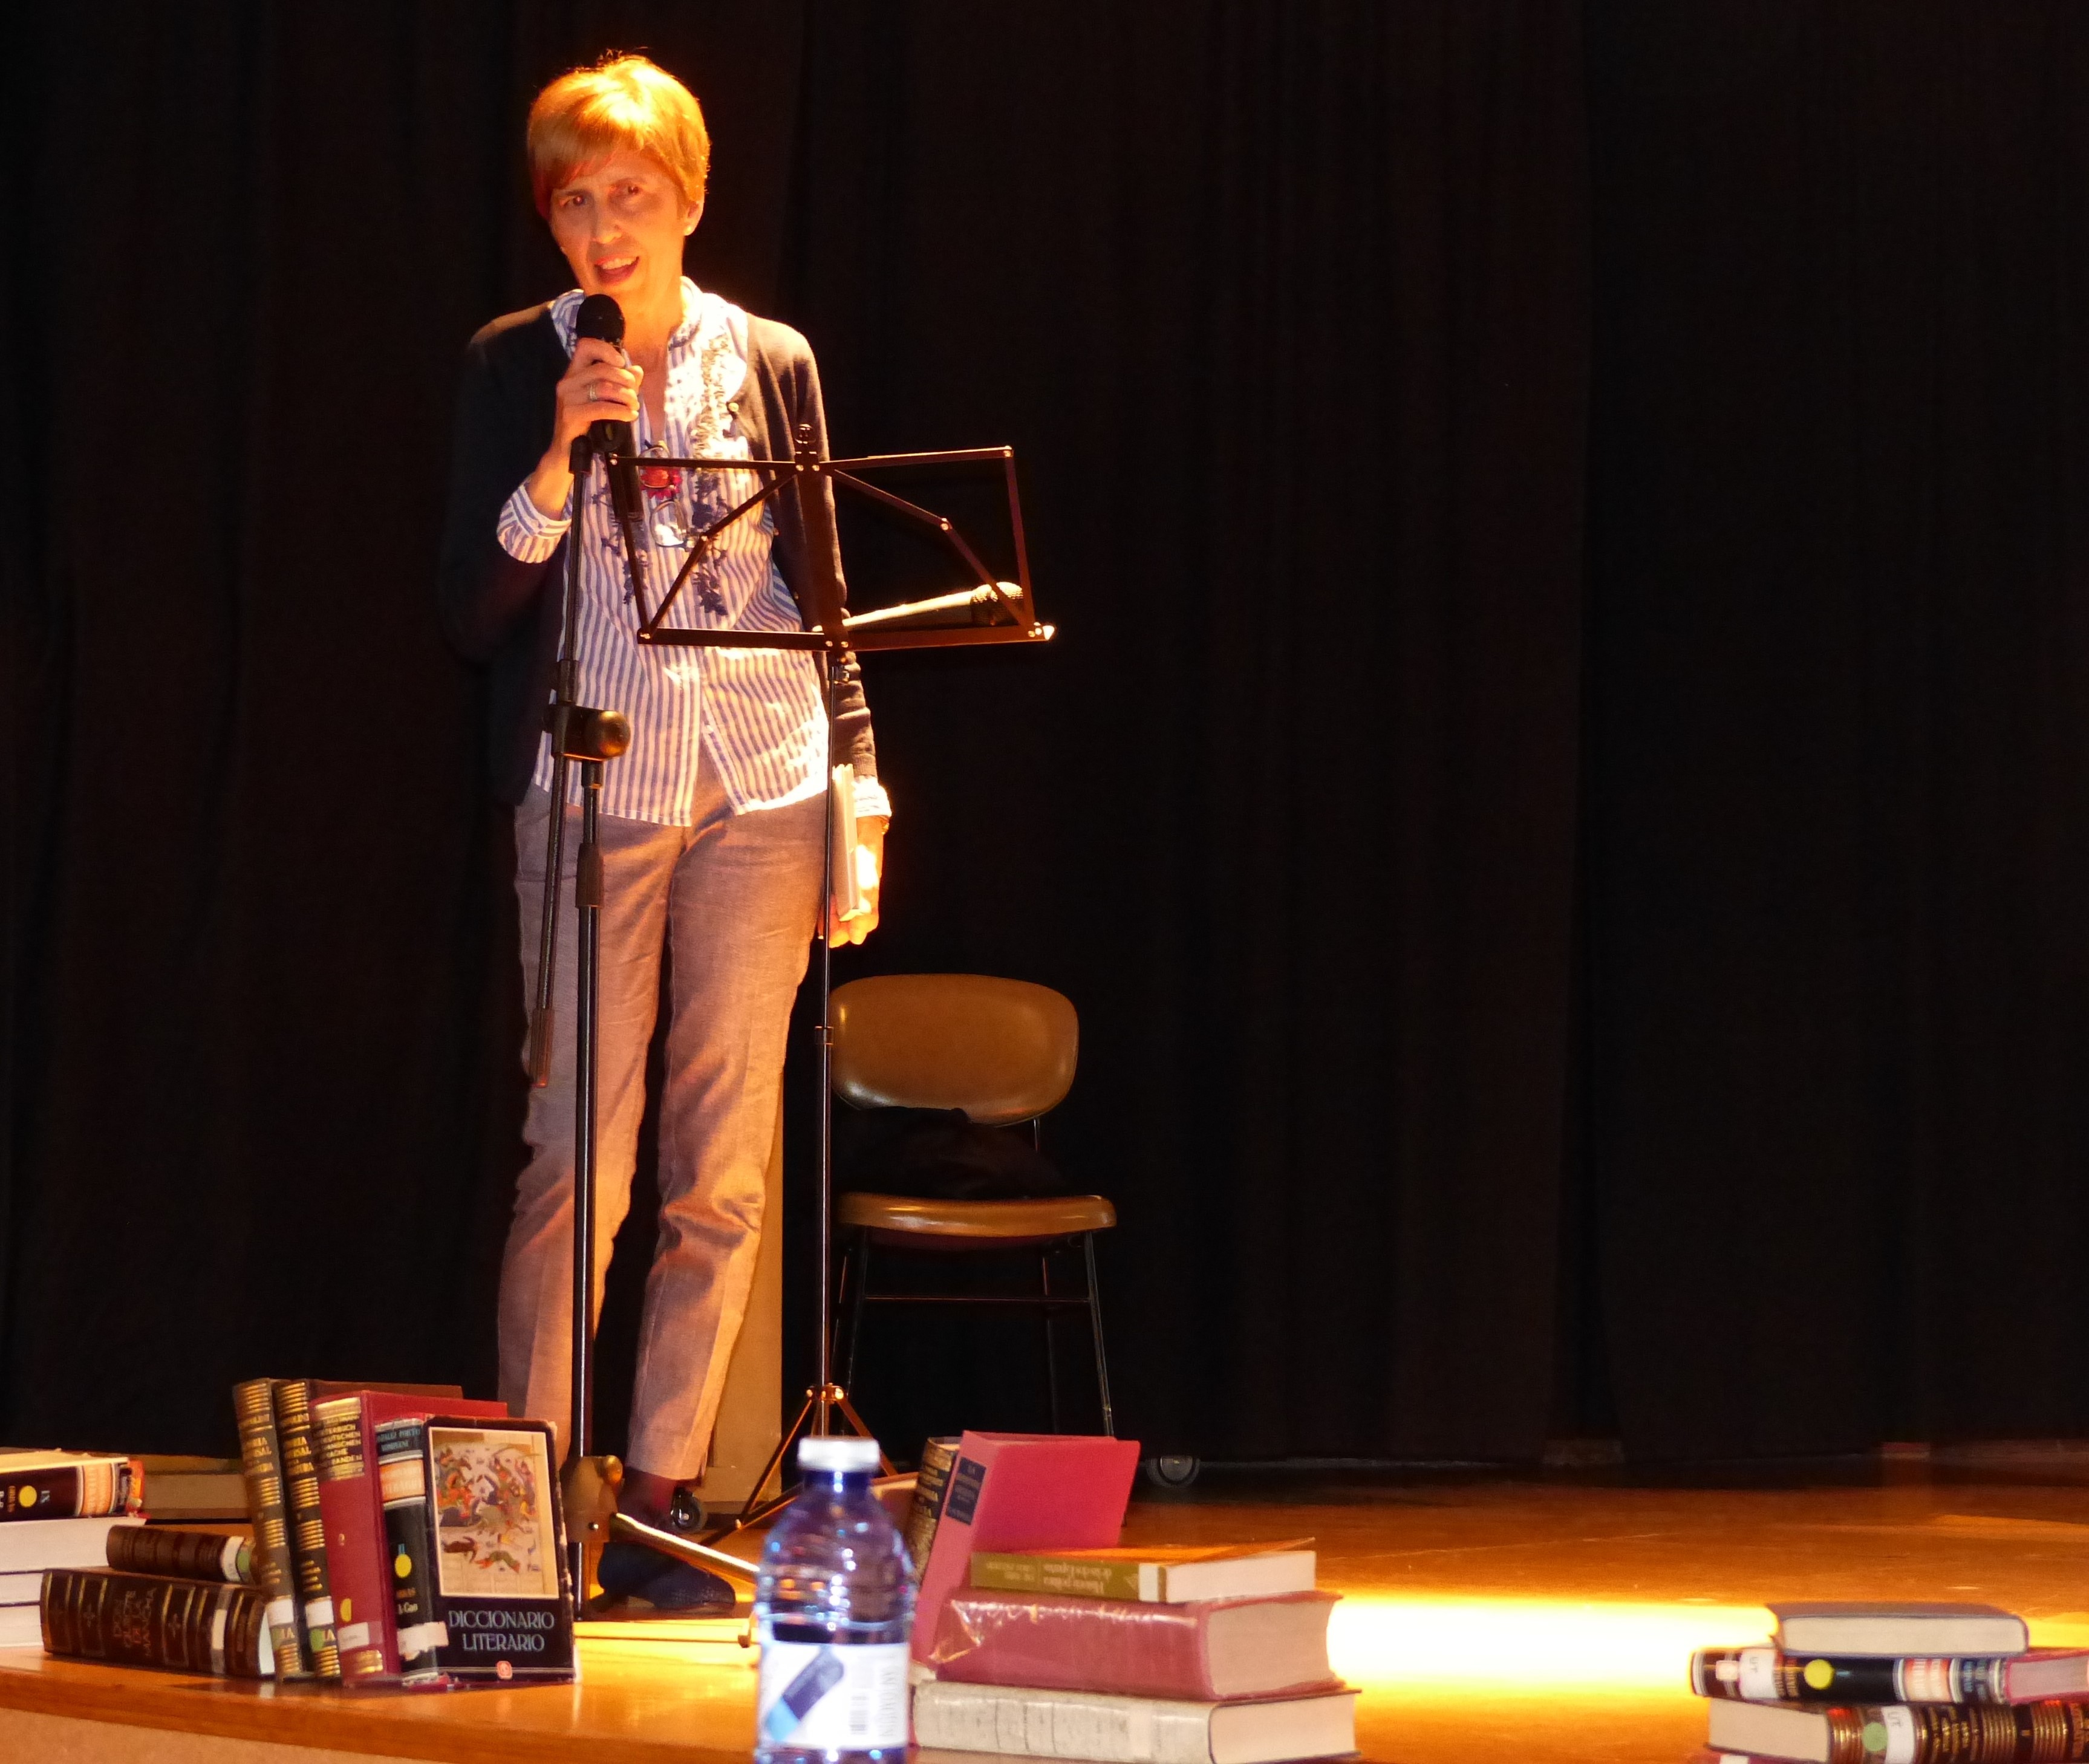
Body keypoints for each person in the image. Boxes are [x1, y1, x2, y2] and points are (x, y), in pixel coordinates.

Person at [437, 53, 888, 1610]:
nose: (603, 228)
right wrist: (557, 458)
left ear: (690, 199)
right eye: (574, 200)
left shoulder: (771, 358)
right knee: (577, 1158)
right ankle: (519, 1515)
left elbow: (822, 589)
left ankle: (658, 1503)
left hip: (764, 781)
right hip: (595, 791)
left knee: (724, 1167)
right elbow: (472, 611)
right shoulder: (518, 362)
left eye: (630, 194)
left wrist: (858, 784)